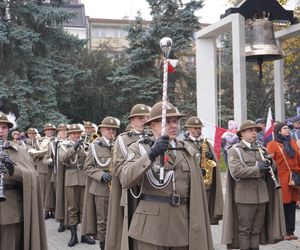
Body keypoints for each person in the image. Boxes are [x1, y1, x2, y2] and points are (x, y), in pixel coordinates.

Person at [117, 102, 213, 250]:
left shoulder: (188, 150)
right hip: (150, 227)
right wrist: (151, 154)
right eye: (167, 121)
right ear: (153, 125)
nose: (173, 125)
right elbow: (125, 179)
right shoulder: (140, 148)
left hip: (181, 225)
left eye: (175, 121)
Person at [222, 120, 286, 250]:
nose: (254, 133)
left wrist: (270, 163)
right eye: (251, 130)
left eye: (256, 131)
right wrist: (257, 168)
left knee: (257, 229)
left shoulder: (261, 148)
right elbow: (236, 172)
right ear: (242, 133)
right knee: (245, 230)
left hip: (262, 195)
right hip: (245, 197)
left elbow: (272, 168)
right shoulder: (235, 151)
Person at [105, 103, 151, 250]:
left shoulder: (155, 137)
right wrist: (134, 171)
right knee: (129, 224)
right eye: (140, 118)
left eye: (147, 117)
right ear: (132, 121)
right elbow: (117, 167)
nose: (144, 120)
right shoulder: (122, 140)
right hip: (131, 189)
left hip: (151, 187)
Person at [0, 112, 48, 249]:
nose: (0, 131)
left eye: (4, 127)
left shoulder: (18, 151)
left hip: (11, 213)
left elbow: (33, 177)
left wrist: (13, 169)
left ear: (8, 129)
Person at [81, 116, 119, 250]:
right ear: (102, 130)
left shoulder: (119, 145)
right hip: (101, 189)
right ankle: (103, 246)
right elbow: (87, 167)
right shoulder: (94, 146)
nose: (111, 132)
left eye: (114, 130)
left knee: (116, 219)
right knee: (103, 221)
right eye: (108, 129)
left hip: (117, 188)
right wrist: (101, 175)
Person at [183, 116, 223, 225]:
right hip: (191, 185)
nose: (198, 130)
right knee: (193, 215)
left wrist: (212, 158)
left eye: (199, 128)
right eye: (195, 128)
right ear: (189, 129)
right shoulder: (183, 144)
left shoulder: (206, 144)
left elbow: (215, 165)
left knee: (205, 216)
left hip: (206, 185)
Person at [60, 124, 95, 247]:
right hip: (71, 178)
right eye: (73, 133)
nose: (76, 135)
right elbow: (62, 159)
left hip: (83, 178)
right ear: (69, 134)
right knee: (72, 208)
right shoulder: (64, 145)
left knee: (84, 207)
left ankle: (84, 234)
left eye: (78, 133)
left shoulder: (86, 144)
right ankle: (73, 235)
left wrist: (83, 148)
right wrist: (74, 147)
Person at [267, 122, 300, 240]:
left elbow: (298, 158)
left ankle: (291, 231)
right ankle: (283, 232)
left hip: (294, 177)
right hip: (281, 177)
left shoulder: (292, 142)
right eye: (285, 128)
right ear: (278, 131)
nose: (288, 130)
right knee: (283, 205)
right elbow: (270, 163)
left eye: (288, 128)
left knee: (292, 205)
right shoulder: (272, 144)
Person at [44, 123, 69, 233]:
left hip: (68, 175)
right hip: (57, 175)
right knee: (59, 200)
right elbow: (46, 158)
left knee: (69, 200)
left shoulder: (71, 143)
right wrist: (48, 161)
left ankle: (70, 222)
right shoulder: (53, 144)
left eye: (65, 130)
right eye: (61, 131)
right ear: (58, 133)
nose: (63, 132)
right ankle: (61, 222)